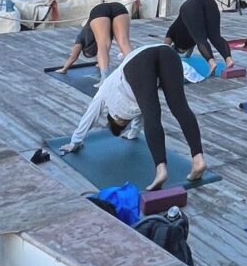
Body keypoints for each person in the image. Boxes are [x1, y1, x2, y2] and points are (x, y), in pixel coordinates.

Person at [63, 43, 207, 191]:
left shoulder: (107, 91)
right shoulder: (130, 103)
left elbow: (91, 113)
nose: (125, 121)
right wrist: (133, 133)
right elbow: (138, 117)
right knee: (180, 107)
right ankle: (198, 159)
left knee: (152, 115)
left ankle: (161, 171)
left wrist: (75, 141)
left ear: (115, 117)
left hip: (139, 62)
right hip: (167, 52)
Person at [56, 1, 133, 83]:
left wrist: (64, 69)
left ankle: (105, 80)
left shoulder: (81, 39)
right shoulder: (85, 36)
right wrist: (99, 64)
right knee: (124, 42)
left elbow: (73, 57)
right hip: (119, 7)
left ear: (86, 49)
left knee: (103, 46)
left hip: (100, 12)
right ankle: (138, 70)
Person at [165, 0, 235, 73]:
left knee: (200, 39)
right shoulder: (190, 35)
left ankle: (212, 64)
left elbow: (165, 46)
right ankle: (229, 60)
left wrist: (164, 59)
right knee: (215, 37)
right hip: (209, 2)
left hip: (190, 6)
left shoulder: (174, 30)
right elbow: (188, 54)